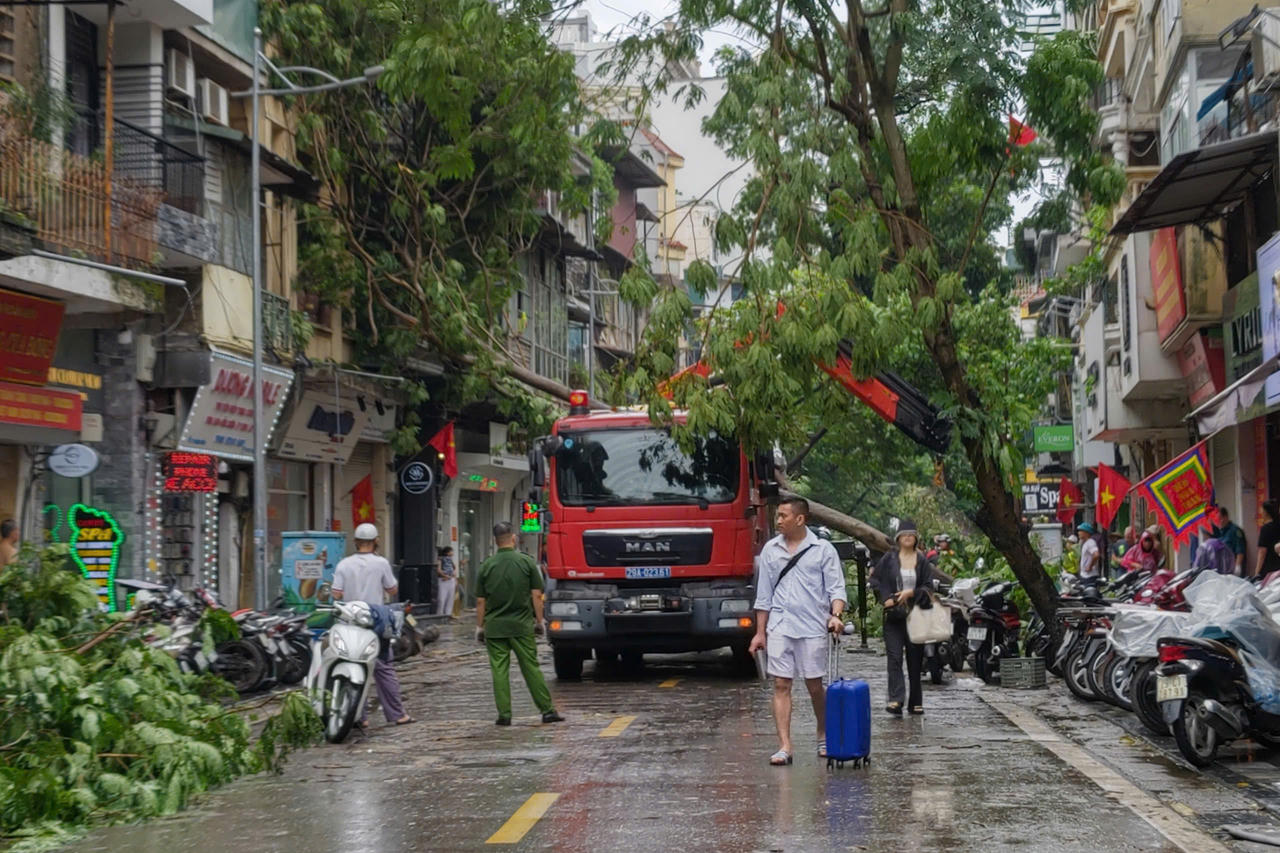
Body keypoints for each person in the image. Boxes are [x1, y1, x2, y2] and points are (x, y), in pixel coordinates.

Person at [748, 497, 847, 766]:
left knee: (815, 685)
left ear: (800, 519)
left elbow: (836, 589)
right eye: (777, 516)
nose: (778, 520)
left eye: (783, 516)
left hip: (813, 626)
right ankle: (784, 745)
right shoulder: (771, 550)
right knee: (781, 684)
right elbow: (763, 595)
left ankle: (823, 733)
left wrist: (836, 616)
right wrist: (760, 633)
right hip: (780, 626)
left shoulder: (823, 550)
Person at [476, 522, 564, 726]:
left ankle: (504, 715)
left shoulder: (486, 566)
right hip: (521, 626)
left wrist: (480, 627)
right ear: (513, 538)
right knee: (531, 667)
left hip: (496, 627)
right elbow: (536, 594)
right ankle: (547, 710)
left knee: (499, 670)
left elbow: (481, 601)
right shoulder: (526, 563)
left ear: (495, 541)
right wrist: (539, 621)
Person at [331, 523, 413, 727]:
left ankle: (359, 716)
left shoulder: (344, 564)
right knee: (383, 667)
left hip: (350, 620)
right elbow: (392, 589)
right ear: (376, 541)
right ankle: (397, 714)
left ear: (356, 542)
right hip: (375, 620)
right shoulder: (381, 563)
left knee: (352, 664)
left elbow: (336, 594)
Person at [870, 519, 935, 718]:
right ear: (898, 539)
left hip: (915, 615)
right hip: (894, 617)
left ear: (916, 538)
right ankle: (896, 699)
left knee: (915, 660)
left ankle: (916, 702)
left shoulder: (922, 560)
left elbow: (928, 586)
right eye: (904, 535)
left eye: (911, 535)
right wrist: (887, 598)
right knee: (894, 658)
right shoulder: (889, 559)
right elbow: (876, 580)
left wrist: (911, 593)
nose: (908, 538)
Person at [1210, 506, 1247, 576]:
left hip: (1233, 569)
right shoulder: (1220, 532)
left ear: (1226, 517)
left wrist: (1237, 567)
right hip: (1223, 570)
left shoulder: (1235, 531)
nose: (1218, 522)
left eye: (1220, 519)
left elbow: (1240, 550)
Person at [1257, 501, 1280, 580]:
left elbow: (1262, 552)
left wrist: (1257, 572)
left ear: (1266, 512)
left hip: (1269, 569)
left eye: (1262, 510)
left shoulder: (1265, 529)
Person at [1077, 522, 1101, 589]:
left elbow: (1096, 555)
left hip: (1090, 576)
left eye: (1081, 531)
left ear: (1086, 532)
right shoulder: (1085, 543)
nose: (1079, 533)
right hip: (1085, 576)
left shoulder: (1090, 542)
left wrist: (1090, 566)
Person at [436, 546, 457, 617]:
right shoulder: (440, 559)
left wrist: (454, 575)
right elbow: (438, 570)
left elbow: (454, 567)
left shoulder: (450, 559)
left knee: (450, 599)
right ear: (447, 552)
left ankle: (448, 615)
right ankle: (440, 615)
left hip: (451, 580)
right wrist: (444, 575)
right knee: (441, 599)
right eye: (451, 551)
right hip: (443, 580)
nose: (453, 553)